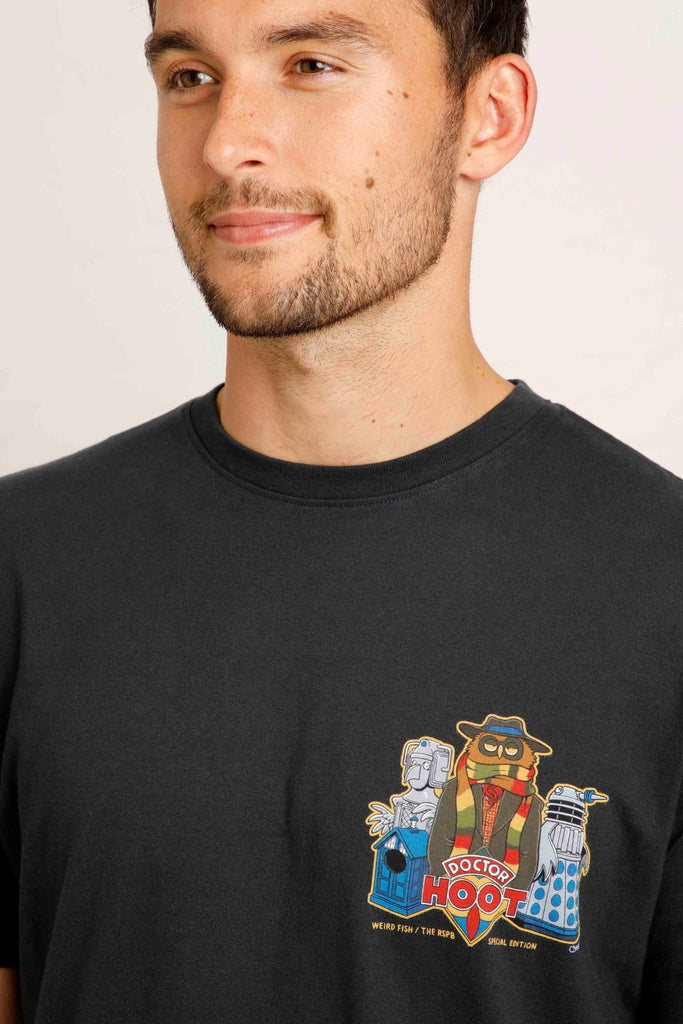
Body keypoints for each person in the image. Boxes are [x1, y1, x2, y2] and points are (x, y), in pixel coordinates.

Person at [0, 0, 681, 1021]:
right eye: (189, 78)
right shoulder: (21, 565)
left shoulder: (661, 588)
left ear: (487, 115)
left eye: (311, 65)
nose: (226, 142)